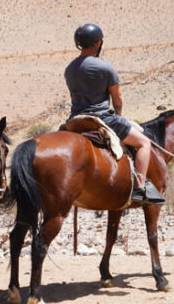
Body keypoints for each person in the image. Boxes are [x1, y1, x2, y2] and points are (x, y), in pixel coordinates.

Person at [64, 23, 165, 205]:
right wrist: (118, 115)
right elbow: (117, 99)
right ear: (97, 43)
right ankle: (140, 187)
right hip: (102, 118)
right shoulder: (104, 67)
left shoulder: (69, 69)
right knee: (143, 143)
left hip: (75, 119)